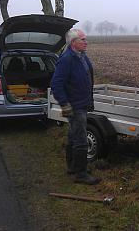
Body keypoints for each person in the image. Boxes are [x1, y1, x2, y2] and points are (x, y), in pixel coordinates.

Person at [51, 29, 100, 185]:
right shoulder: (66, 59)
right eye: (83, 39)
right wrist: (64, 104)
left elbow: (87, 78)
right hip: (74, 106)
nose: (86, 42)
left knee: (73, 136)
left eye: (86, 39)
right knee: (81, 140)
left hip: (82, 103)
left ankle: (73, 167)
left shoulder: (82, 56)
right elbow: (56, 84)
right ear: (73, 43)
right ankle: (81, 174)